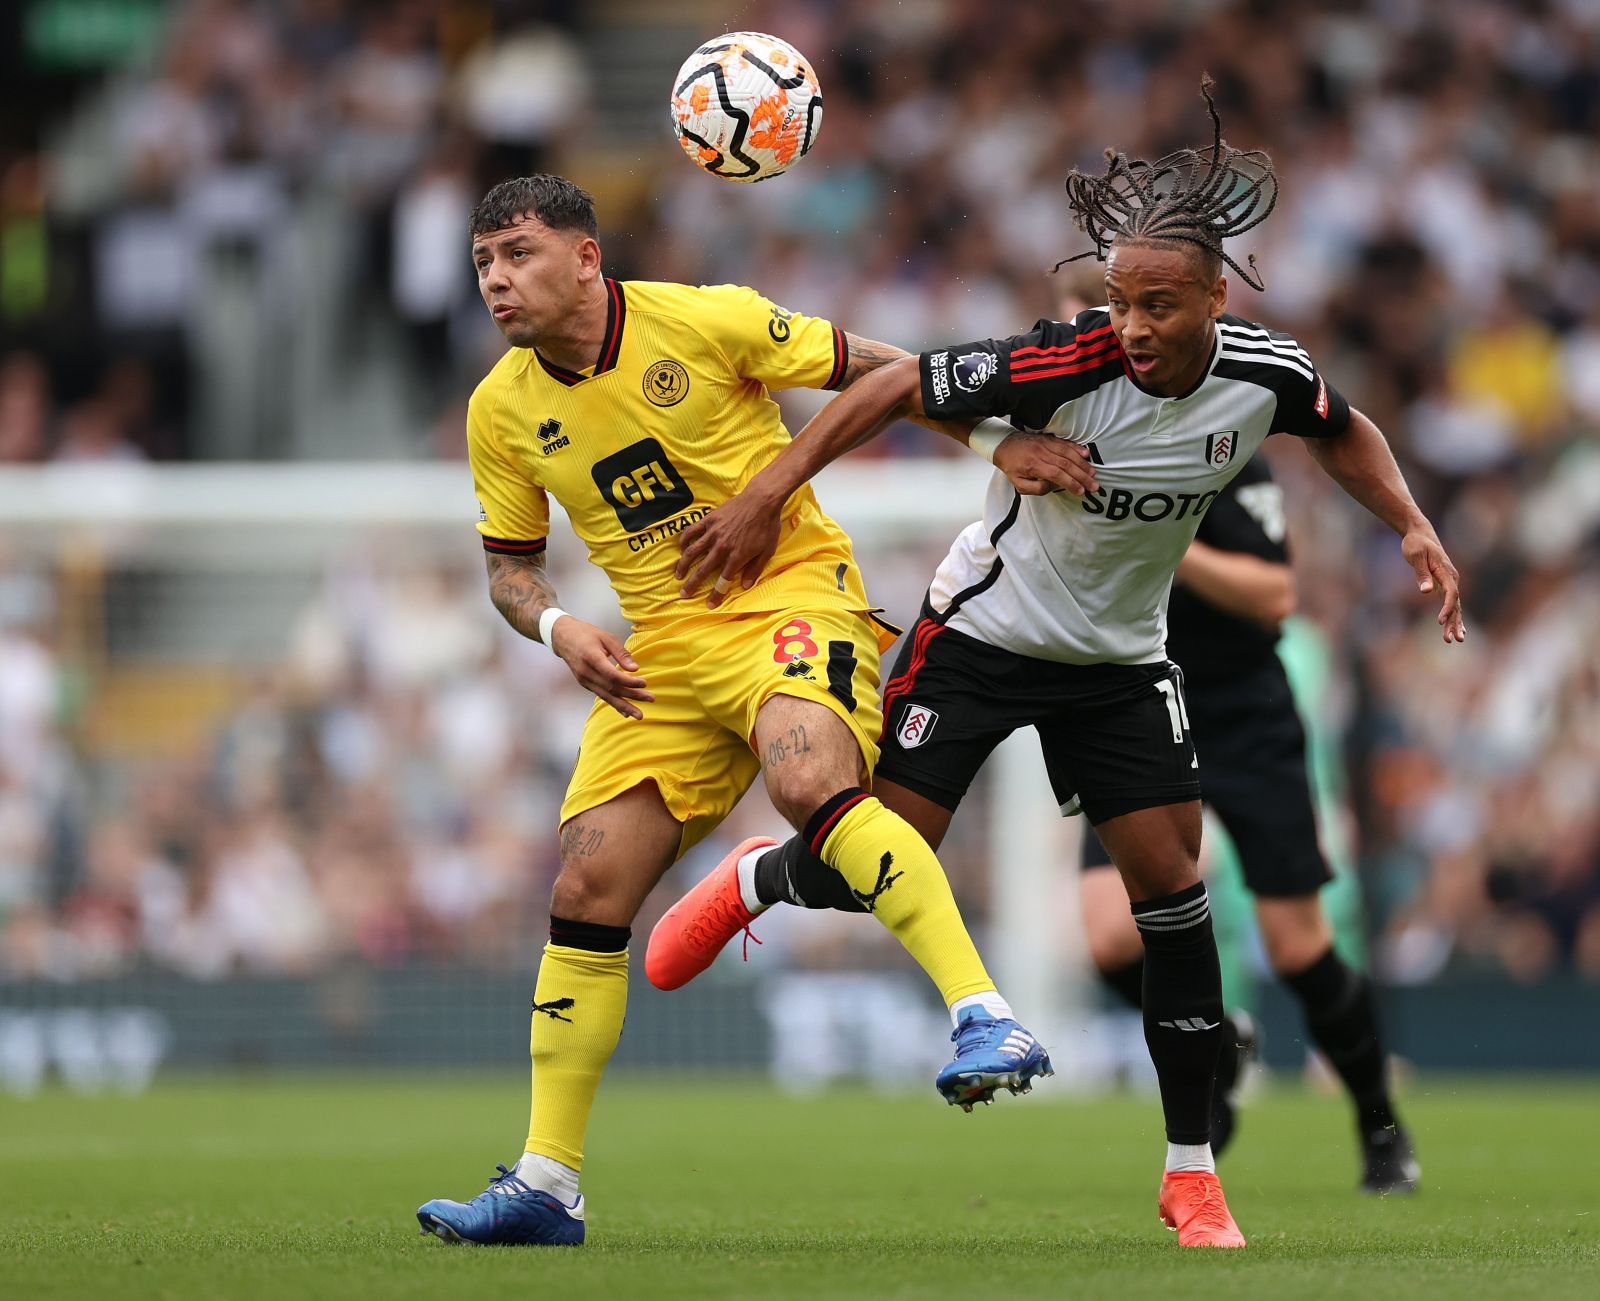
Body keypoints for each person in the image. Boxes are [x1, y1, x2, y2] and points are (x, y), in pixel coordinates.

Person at [653, 82, 1463, 1248]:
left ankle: (1192, 1175)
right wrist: (769, 492)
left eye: (1157, 303)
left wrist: (1413, 525)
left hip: (1120, 663)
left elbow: (1346, 429)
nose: (1130, 324)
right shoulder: (1063, 360)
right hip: (979, 641)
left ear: (1215, 298)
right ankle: (764, 879)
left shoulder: (1263, 374)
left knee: (1172, 900)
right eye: (1121, 299)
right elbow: (889, 382)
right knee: (876, 864)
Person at [415, 175, 1080, 1247]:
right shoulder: (499, 408)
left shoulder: (703, 316)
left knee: (811, 774)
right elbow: (508, 567)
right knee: (587, 881)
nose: (496, 277)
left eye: (519, 253)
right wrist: (557, 629)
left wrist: (988, 442)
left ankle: (984, 1015)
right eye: (484, 260)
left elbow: (885, 369)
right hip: (660, 657)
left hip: (791, 596)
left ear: (586, 258)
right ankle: (548, 1181)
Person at [1049, 259, 1419, 1195]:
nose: (1111, 343)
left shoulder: (1225, 444)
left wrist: (1167, 538)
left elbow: (1276, 594)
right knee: (1105, 935)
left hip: (1242, 714)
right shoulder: (1066, 449)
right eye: (1095, 324)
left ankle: (1380, 1122)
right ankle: (1219, 1043)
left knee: (1298, 944)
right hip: (1134, 698)